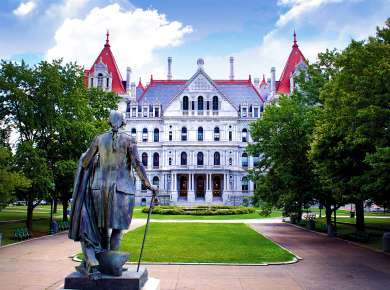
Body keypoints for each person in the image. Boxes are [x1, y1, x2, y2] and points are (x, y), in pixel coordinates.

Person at [69, 110, 158, 278]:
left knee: (102, 228)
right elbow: (138, 165)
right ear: (123, 122)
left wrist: (98, 159)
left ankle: (103, 265)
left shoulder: (99, 139)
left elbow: (85, 161)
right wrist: (149, 185)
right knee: (117, 230)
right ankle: (112, 266)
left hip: (98, 189)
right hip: (121, 190)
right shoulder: (129, 140)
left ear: (109, 122)